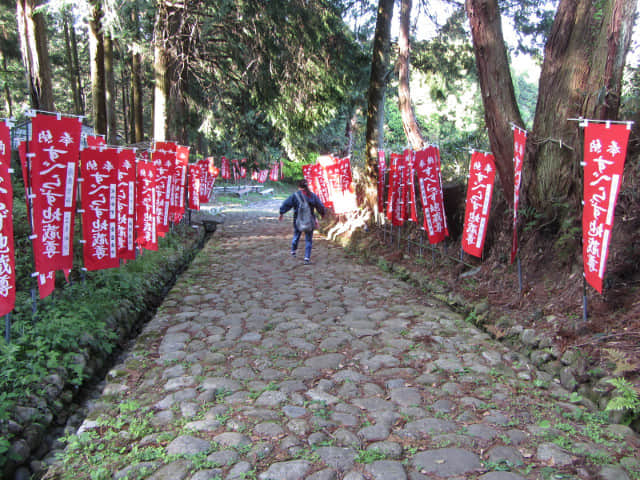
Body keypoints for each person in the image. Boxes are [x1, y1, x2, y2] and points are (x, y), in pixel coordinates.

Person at [279, 179, 325, 264]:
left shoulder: (295, 196)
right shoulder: (312, 196)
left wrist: (282, 213)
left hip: (298, 220)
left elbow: (286, 204)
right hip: (309, 220)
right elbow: (320, 206)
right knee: (308, 239)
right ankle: (307, 258)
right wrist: (322, 214)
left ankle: (293, 251)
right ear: (307, 186)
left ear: (299, 187)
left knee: (296, 235)